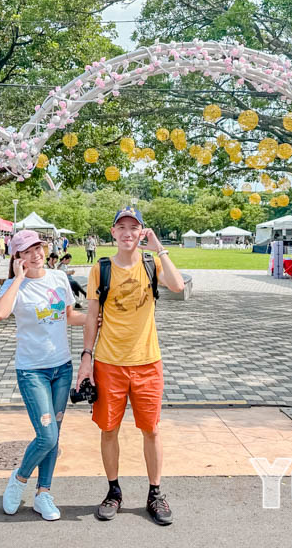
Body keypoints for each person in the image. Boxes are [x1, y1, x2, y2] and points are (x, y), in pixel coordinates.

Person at [76, 206, 184, 526]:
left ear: (142, 232)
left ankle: (155, 493)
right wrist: (86, 358)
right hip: (109, 363)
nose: (127, 232)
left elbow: (178, 286)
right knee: (109, 429)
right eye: (121, 227)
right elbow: (92, 316)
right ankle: (114, 491)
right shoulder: (101, 268)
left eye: (133, 228)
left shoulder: (152, 264)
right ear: (113, 233)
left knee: (151, 429)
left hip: (148, 362)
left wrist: (159, 248)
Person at [0, 230, 86, 521]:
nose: (35, 254)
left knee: (54, 436)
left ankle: (43, 493)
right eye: (27, 251)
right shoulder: (13, 286)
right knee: (46, 436)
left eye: (38, 248)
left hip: (62, 368)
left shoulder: (59, 279)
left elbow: (69, 316)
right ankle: (18, 480)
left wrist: (98, 318)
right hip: (32, 370)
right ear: (17, 257)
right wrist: (19, 278)